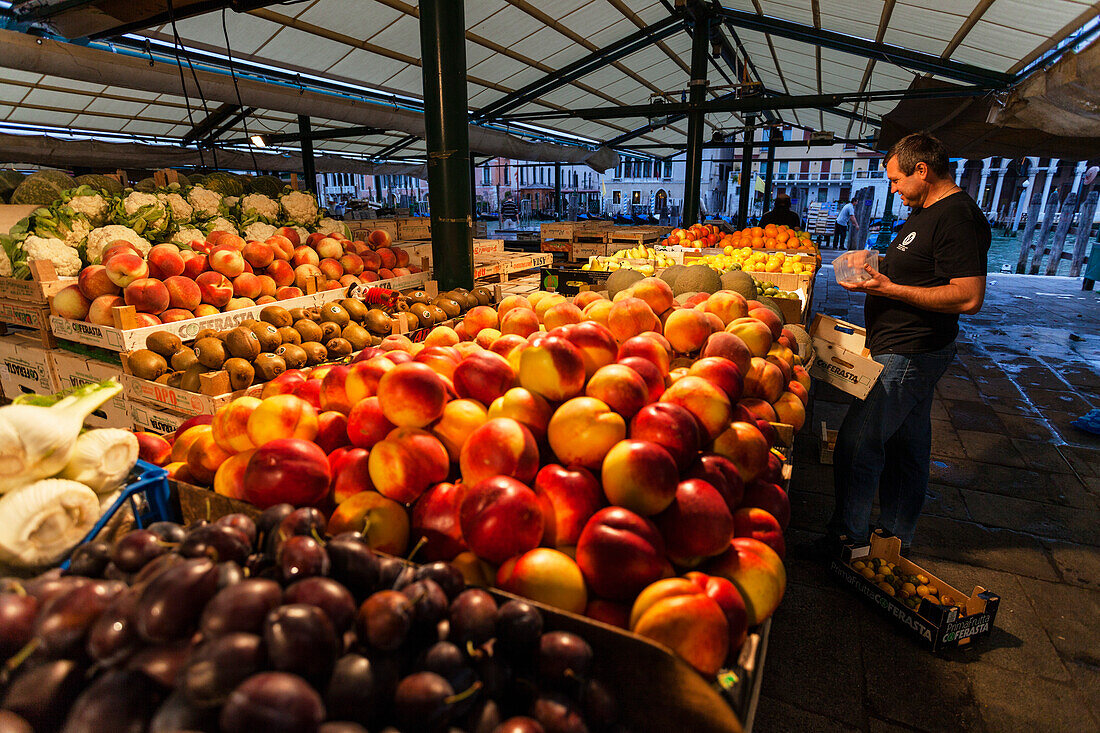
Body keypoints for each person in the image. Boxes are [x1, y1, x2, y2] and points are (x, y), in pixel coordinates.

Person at [819, 132, 990, 556]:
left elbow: (968, 296)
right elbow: (921, 266)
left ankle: (848, 539)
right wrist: (875, 260)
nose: (893, 189)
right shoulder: (927, 210)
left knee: (858, 444)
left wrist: (889, 289)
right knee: (907, 446)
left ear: (922, 170)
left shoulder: (957, 217)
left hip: (912, 350)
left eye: (896, 180)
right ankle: (893, 537)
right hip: (904, 346)